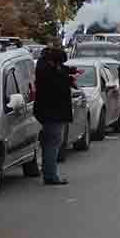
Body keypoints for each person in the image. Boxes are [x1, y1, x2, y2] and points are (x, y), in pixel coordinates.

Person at [34, 46, 76, 185]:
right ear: (54, 61)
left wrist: (70, 72)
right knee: (53, 143)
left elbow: (59, 73)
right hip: (54, 114)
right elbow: (57, 86)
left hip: (47, 113)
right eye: (60, 63)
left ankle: (49, 172)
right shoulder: (49, 72)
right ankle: (51, 175)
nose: (61, 65)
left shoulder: (43, 67)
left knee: (50, 143)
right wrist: (69, 81)